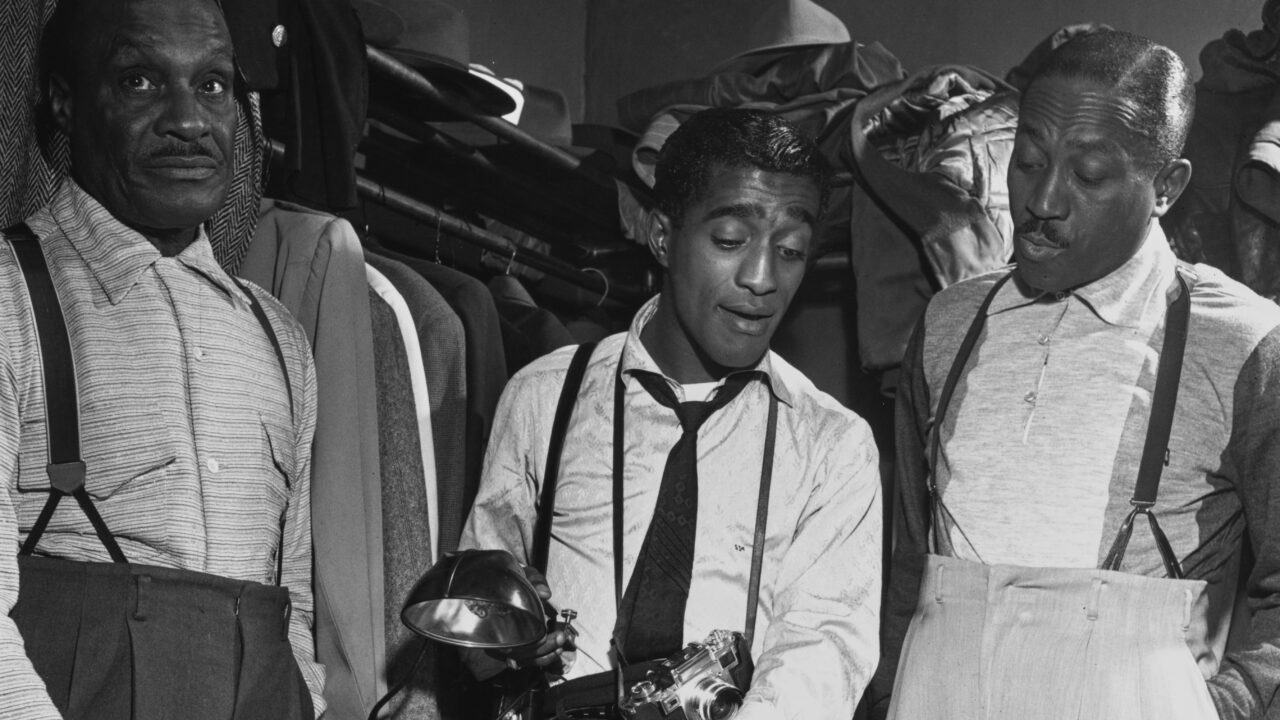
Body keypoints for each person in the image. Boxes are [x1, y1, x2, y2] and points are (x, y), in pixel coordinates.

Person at [868, 30, 1280, 720]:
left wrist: (1225, 706)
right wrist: (887, 697)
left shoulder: (1243, 342)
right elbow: (910, 561)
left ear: (1167, 188)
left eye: (1089, 175)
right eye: (1028, 161)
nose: (1044, 200)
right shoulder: (948, 323)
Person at [459, 108, 882, 720]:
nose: (763, 279)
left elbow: (823, 656)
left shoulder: (831, 445)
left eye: (790, 250)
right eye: (731, 241)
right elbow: (474, 625)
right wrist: (503, 637)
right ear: (662, 236)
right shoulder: (543, 398)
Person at [0, 0, 324, 718]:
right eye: (141, 83)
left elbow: (291, 611)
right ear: (63, 99)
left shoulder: (277, 338)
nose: (190, 121)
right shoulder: (12, 298)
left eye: (212, 85)